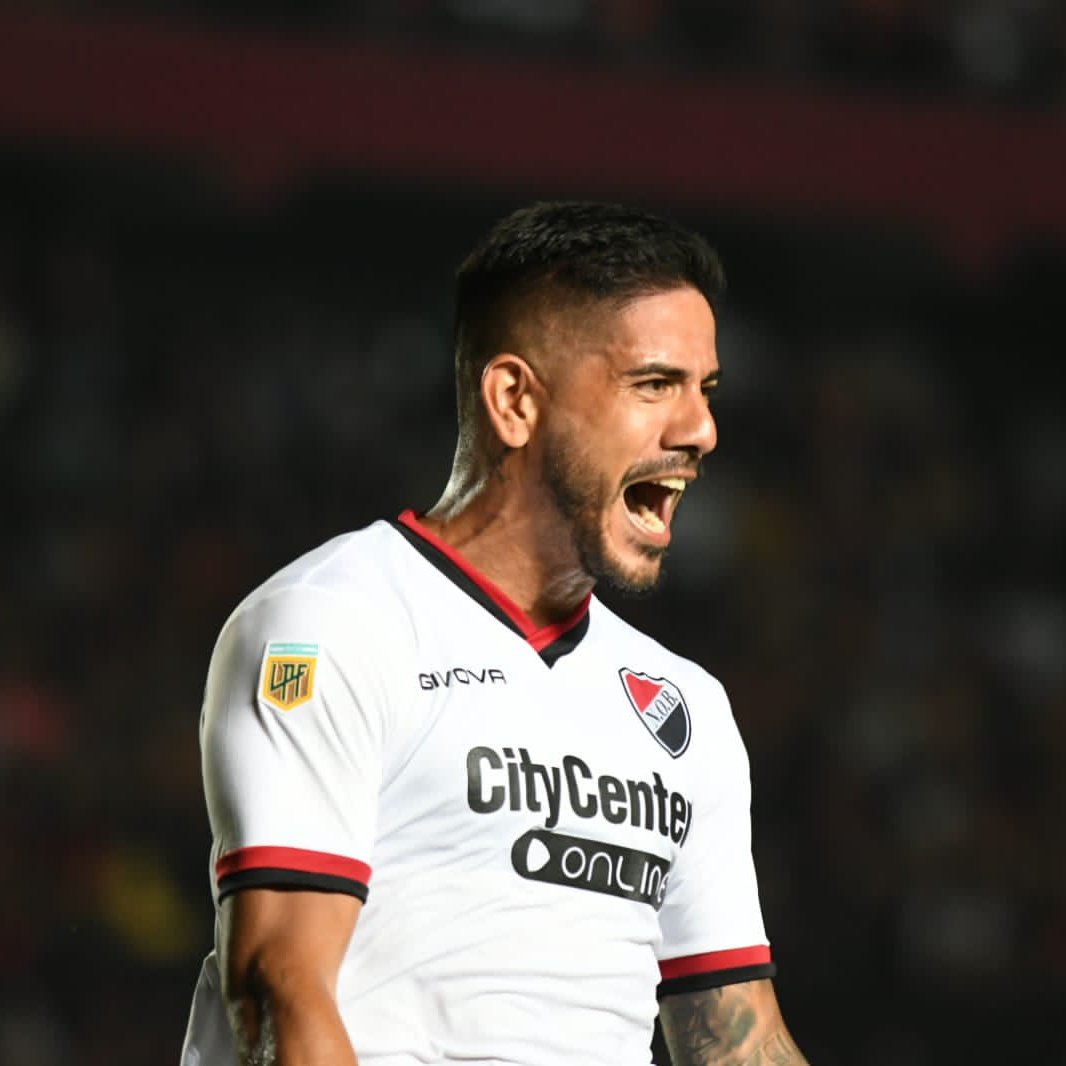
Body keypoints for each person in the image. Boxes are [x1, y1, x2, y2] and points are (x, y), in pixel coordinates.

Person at [180, 201, 808, 1066]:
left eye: (706, 390)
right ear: (515, 399)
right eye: (655, 384)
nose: (700, 430)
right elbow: (278, 986)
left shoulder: (686, 708)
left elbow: (738, 1038)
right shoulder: (331, 626)